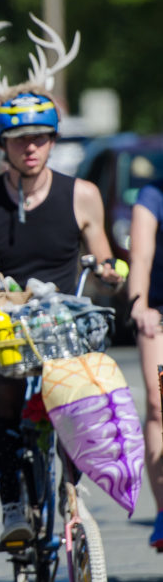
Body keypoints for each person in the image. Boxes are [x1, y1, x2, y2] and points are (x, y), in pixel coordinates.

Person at [0, 23, 124, 546]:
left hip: (65, 324)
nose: (31, 148)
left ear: (52, 139)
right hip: (7, 326)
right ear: (4, 143)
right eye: (20, 139)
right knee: (1, 389)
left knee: (88, 395)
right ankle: (13, 507)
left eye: (40, 137)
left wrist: (109, 272)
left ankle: (71, 492)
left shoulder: (82, 195)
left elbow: (105, 262)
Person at [127, 183, 163, 548]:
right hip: (159, 313)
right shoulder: (153, 196)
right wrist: (139, 305)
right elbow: (140, 258)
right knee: (158, 400)